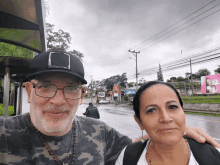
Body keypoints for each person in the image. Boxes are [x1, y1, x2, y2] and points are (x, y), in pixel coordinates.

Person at [0, 50, 219, 165]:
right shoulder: (4, 134)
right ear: (29, 91)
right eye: (46, 87)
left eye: (70, 89)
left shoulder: (101, 133)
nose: (58, 101)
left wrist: (176, 131)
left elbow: (144, 145)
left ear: (82, 95)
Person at [116, 81, 220, 165]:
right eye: (151, 110)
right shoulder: (127, 158)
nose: (165, 118)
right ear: (139, 122)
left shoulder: (213, 156)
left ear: (182, 111)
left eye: (172, 107)